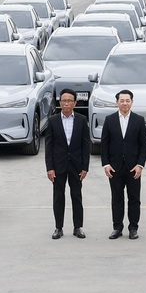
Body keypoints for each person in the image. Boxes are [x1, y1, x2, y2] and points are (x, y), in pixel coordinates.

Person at [100, 89, 146, 240]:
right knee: (117, 198)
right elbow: (104, 144)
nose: (125, 103)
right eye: (122, 101)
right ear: (117, 102)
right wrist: (106, 164)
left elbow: (143, 144)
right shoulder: (109, 120)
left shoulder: (139, 120)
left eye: (127, 100)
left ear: (132, 102)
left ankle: (133, 228)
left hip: (133, 167)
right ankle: (117, 227)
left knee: (134, 198)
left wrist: (140, 165)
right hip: (114, 167)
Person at [45, 89, 90, 239]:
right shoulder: (53, 121)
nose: (66, 103)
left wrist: (85, 167)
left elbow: (86, 145)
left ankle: (78, 227)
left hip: (76, 165)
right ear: (60, 102)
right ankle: (58, 227)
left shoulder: (82, 120)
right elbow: (49, 146)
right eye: (64, 100)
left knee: (76, 196)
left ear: (75, 103)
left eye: (69, 101)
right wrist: (50, 168)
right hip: (58, 166)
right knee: (58, 197)